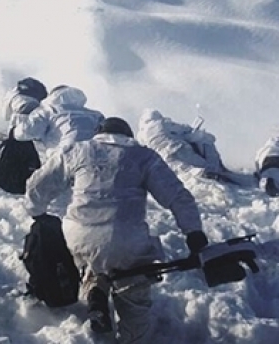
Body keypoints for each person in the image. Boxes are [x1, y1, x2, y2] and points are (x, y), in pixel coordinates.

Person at [25, 116, 206, 342]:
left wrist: (36, 212)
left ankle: (95, 289)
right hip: (126, 242)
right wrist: (194, 233)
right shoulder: (144, 157)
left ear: (99, 133)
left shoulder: (78, 150)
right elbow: (178, 197)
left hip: (78, 235)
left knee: (92, 258)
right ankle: (131, 334)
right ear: (127, 135)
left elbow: (37, 184)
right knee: (134, 299)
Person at [136, 108, 231, 182]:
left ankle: (199, 174)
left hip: (163, 157)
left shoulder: (141, 134)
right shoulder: (161, 123)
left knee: (183, 169)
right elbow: (182, 129)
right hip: (178, 148)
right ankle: (212, 172)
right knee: (199, 163)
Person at [10, 84, 104, 154]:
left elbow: (26, 132)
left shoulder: (47, 110)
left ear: (53, 96)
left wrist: (14, 131)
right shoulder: (95, 114)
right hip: (90, 157)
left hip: (63, 155)